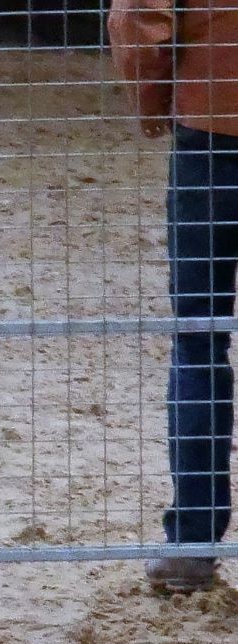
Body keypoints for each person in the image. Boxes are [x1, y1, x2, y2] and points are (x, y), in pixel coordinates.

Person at [111, 0, 238, 593]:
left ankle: (192, 543)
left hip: (213, 123)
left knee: (199, 336)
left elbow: (142, 15)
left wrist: (153, 99)